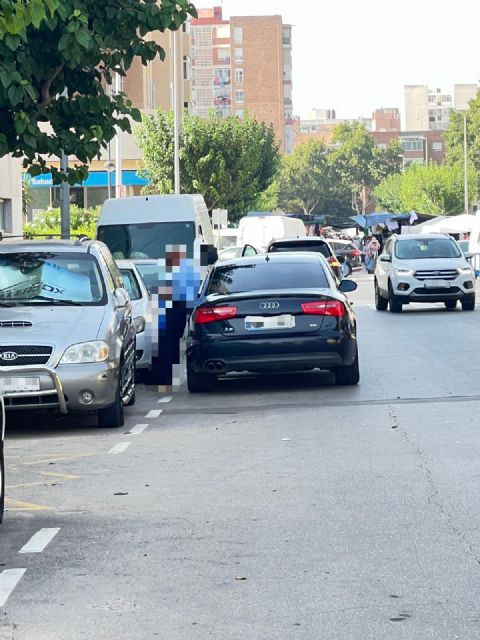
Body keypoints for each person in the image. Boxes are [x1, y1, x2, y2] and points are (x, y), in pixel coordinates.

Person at [149, 245, 201, 392]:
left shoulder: (177, 270)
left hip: (174, 309)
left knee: (167, 344)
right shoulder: (186, 269)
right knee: (169, 344)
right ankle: (166, 377)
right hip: (176, 309)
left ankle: (165, 378)